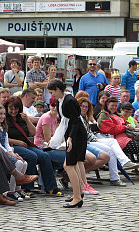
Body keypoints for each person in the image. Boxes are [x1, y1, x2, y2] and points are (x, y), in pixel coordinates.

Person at [4, 96, 63, 196]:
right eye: (11, 109)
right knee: (31, 156)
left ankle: (51, 187)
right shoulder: (5, 119)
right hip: (12, 146)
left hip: (25, 144)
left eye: (16, 109)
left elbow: (33, 132)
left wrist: (27, 120)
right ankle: (27, 187)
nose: (14, 111)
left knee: (45, 156)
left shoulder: (21, 118)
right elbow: (3, 138)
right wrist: (17, 142)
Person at [78, 97, 139, 186]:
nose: (84, 108)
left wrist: (127, 126)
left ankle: (116, 176)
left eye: (86, 107)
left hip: (97, 139)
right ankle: (123, 164)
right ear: (107, 105)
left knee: (111, 147)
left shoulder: (85, 117)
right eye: (82, 106)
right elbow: (110, 129)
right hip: (93, 141)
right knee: (112, 143)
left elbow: (89, 133)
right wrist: (124, 127)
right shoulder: (101, 115)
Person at [0, 103, 38, 204]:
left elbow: (6, 144)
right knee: (18, 163)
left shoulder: (3, 128)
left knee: (24, 162)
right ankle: (11, 190)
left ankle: (18, 189)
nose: (3, 116)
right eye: (0, 114)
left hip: (4, 153)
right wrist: (11, 155)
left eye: (4, 114)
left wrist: (12, 153)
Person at [47, 79, 87, 208]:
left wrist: (69, 138)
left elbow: (75, 121)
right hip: (73, 135)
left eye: (52, 92)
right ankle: (79, 192)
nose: (51, 95)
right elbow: (66, 121)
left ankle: (77, 197)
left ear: (59, 89)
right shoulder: (62, 100)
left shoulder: (69, 100)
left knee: (69, 165)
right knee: (71, 164)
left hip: (76, 135)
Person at [98, 97, 139, 162]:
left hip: (126, 137)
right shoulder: (103, 116)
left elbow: (125, 124)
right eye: (112, 105)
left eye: (116, 105)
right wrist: (125, 127)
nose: (114, 107)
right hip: (116, 140)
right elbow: (111, 130)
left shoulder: (116, 115)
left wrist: (129, 126)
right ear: (107, 105)